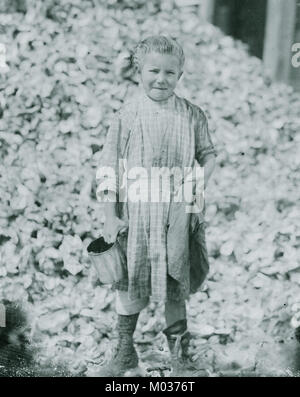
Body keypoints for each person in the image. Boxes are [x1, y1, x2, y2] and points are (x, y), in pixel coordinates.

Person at [95, 35, 217, 376]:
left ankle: (180, 355)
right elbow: (108, 167)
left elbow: (208, 156)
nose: (161, 79)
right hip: (137, 213)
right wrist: (109, 215)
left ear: (180, 74)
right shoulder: (127, 115)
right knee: (131, 284)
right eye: (153, 71)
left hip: (178, 212)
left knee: (176, 285)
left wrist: (197, 182)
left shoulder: (193, 115)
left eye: (170, 72)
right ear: (138, 71)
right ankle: (124, 351)